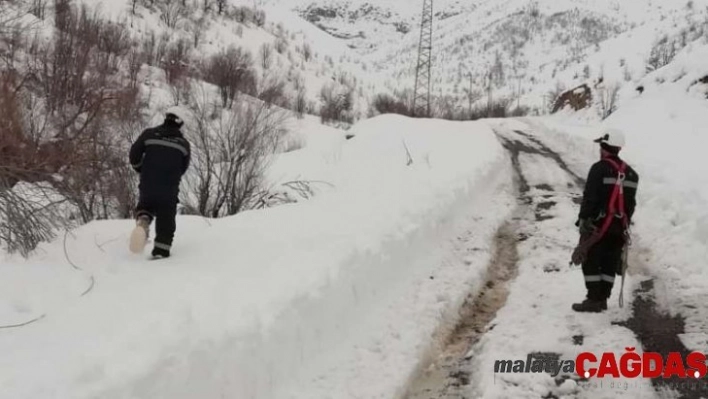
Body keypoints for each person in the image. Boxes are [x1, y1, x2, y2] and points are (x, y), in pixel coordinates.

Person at [571, 128, 639, 312]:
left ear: (604, 146)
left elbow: (590, 197)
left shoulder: (599, 168)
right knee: (610, 261)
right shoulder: (632, 174)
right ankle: (602, 298)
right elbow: (631, 204)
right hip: (619, 228)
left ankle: (594, 299)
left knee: (590, 259)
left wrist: (584, 219)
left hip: (598, 226)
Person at [128, 107, 191, 258]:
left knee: (146, 206)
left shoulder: (149, 134)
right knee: (166, 221)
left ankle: (143, 220)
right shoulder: (183, 144)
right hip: (169, 189)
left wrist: (142, 170)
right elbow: (183, 167)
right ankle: (160, 252)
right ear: (180, 123)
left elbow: (134, 155)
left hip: (148, 184)